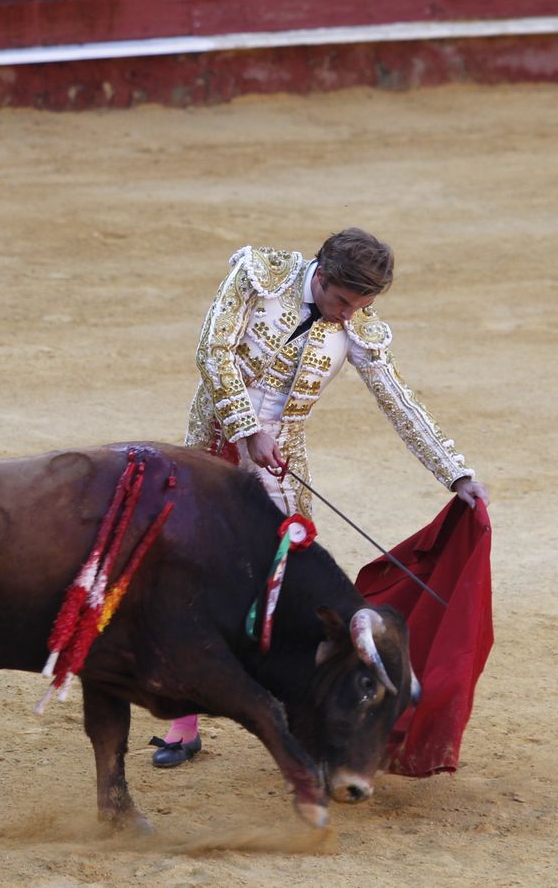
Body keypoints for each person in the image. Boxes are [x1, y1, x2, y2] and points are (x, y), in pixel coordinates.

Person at [148, 227, 489, 768]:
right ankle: (183, 723)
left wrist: (456, 474)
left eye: (362, 306)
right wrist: (244, 428)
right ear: (321, 277)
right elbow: (212, 352)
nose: (348, 315)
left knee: (294, 597)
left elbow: (399, 402)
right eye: (343, 301)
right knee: (193, 580)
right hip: (210, 456)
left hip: (283, 470)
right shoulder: (261, 275)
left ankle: (314, 718)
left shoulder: (357, 327)